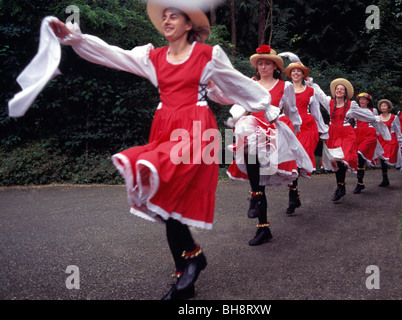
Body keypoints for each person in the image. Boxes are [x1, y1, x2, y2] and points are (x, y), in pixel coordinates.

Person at [49, 1, 282, 300]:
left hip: (195, 131)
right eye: (165, 17)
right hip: (164, 130)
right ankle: (188, 269)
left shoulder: (208, 55)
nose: (167, 20)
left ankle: (192, 261)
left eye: (175, 16)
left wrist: (267, 108)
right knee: (166, 203)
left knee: (168, 195)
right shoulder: (153, 57)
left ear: (189, 26)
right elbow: (114, 55)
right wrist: (74, 38)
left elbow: (237, 84)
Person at [220, 45, 313, 245]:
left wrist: (294, 133)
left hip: (273, 130)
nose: (263, 67)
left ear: (275, 66)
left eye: (267, 64)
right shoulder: (251, 83)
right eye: (260, 64)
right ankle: (262, 222)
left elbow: (291, 110)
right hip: (253, 127)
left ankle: (258, 204)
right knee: (250, 152)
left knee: (259, 177)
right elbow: (240, 105)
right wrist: (234, 118)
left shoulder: (285, 86)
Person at [310, 78, 378, 201]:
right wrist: (310, 83)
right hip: (333, 133)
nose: (339, 91)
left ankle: (342, 186)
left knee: (343, 159)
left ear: (346, 93)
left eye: (342, 89)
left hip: (346, 133)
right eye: (337, 89)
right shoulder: (329, 102)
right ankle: (340, 187)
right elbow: (319, 94)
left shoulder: (351, 104)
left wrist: (375, 119)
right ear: (334, 91)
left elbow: (363, 113)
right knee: (336, 161)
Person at [282, 54, 329, 213]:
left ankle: (292, 197)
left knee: (296, 161)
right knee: (290, 161)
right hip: (289, 127)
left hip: (306, 127)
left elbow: (316, 112)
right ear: (290, 74)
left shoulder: (310, 91)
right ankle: (294, 196)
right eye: (293, 71)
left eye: (299, 71)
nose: (296, 73)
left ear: (303, 75)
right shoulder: (285, 88)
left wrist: (323, 131)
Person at [352, 93, 382, 194]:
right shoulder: (354, 110)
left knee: (360, 154)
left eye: (364, 99)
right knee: (359, 158)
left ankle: (360, 183)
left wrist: (377, 134)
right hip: (357, 134)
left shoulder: (373, 111)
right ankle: (360, 183)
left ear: (368, 101)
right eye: (360, 99)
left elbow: (377, 123)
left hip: (369, 133)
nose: (362, 101)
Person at [376, 99, 401, 187]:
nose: (383, 107)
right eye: (381, 106)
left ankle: (386, 178)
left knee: (387, 157)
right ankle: (385, 179)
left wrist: (400, 140)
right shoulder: (378, 118)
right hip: (381, 139)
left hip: (391, 139)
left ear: (388, 107)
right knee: (382, 159)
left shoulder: (394, 117)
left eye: (384, 106)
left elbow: (398, 129)